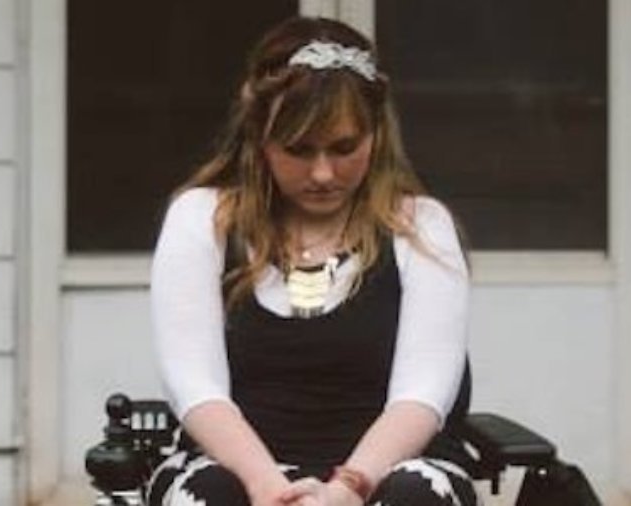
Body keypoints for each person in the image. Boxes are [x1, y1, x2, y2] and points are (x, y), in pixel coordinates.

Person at [149, 16, 474, 506]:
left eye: (345, 148)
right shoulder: (202, 219)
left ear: (376, 136)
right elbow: (195, 386)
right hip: (238, 468)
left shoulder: (420, 227)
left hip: (388, 469)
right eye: (299, 150)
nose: (323, 173)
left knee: (417, 496)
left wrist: (349, 488)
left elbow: (423, 395)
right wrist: (270, 491)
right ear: (260, 137)